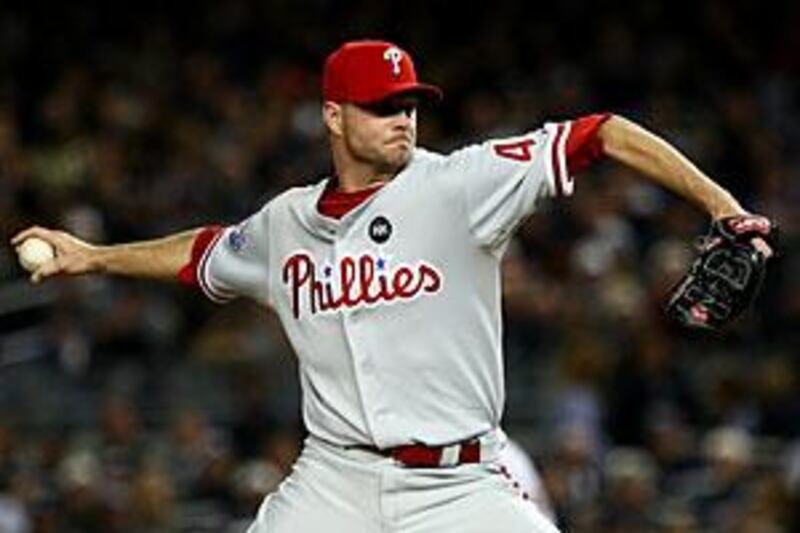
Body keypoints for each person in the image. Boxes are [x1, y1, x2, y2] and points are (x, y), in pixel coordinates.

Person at [11, 40, 772, 532]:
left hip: (459, 483)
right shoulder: (286, 223)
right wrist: (95, 256)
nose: (403, 118)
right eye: (383, 107)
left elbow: (602, 131)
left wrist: (722, 205)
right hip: (333, 478)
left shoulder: (461, 185)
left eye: (410, 103)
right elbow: (205, 252)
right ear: (334, 117)